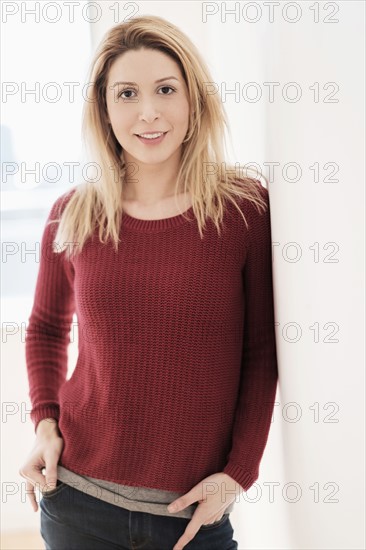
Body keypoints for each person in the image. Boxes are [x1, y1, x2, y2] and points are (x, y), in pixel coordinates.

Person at [19, 15, 279, 550]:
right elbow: (46, 328)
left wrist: (239, 473)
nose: (148, 112)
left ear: (193, 100)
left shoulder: (243, 211)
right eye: (127, 94)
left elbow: (261, 352)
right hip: (76, 504)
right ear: (105, 108)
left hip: (191, 517)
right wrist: (46, 425)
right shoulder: (72, 214)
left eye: (165, 89)